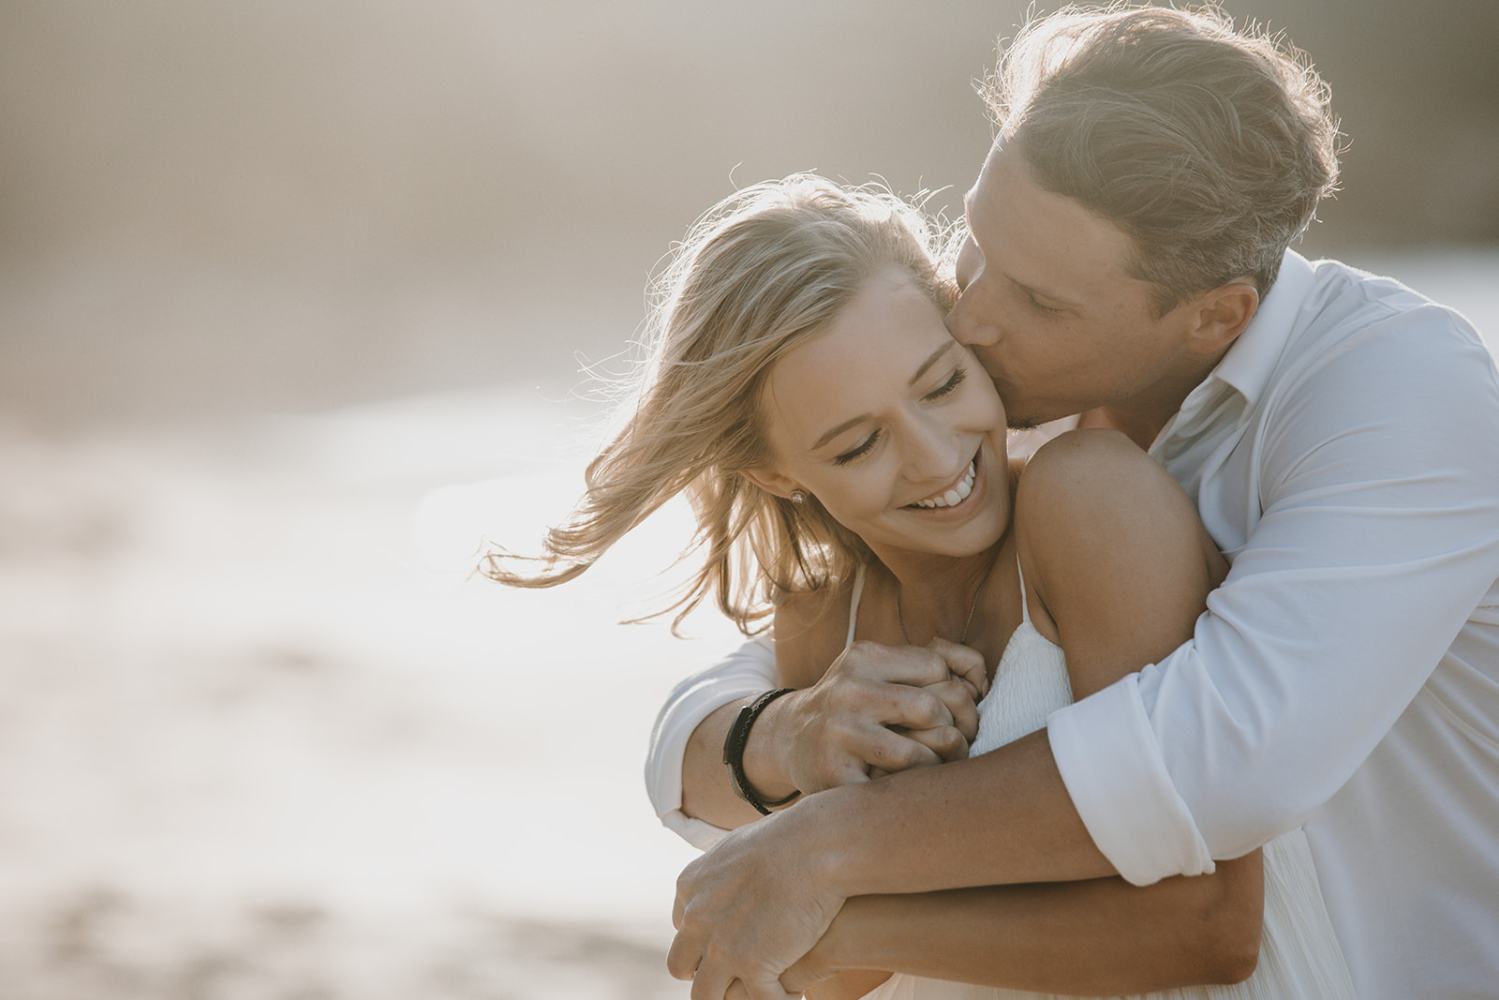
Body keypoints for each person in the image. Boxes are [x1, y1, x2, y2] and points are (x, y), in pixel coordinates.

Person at [653, 7, 1499, 1000]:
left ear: (1213, 315)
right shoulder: (1007, 408)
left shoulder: (1394, 388)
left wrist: (824, 851)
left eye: (1038, 301)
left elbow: (1227, 758)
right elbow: (746, 684)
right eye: (976, 244)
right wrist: (774, 738)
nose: (968, 315)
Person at [495, 171, 1356, 998]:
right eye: (855, 445)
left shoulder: (1088, 497)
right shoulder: (822, 626)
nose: (938, 459)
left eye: (942, 384)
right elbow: (831, 978)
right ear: (774, 473)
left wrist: (836, 913)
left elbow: (1208, 925)